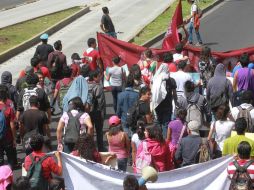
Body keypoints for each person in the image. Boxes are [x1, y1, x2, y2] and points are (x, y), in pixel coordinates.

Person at [152, 63, 177, 138]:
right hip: (168, 105)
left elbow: (152, 92)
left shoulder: (156, 80)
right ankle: (165, 141)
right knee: (166, 124)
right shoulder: (171, 80)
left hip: (158, 105)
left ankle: (157, 140)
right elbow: (174, 94)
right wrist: (176, 103)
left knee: (158, 122)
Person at [0, 85, 18, 170]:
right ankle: (9, 174)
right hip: (7, 137)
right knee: (10, 158)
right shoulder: (8, 109)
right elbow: (12, 126)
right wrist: (14, 138)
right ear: (5, 98)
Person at [88, 69, 106, 151]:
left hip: (88, 112)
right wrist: (103, 115)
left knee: (89, 131)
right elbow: (101, 103)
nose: (100, 77)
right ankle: (101, 149)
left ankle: (90, 148)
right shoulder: (98, 87)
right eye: (99, 76)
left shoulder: (86, 86)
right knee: (99, 132)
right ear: (94, 77)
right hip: (97, 112)